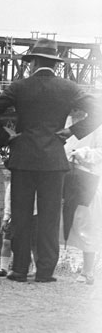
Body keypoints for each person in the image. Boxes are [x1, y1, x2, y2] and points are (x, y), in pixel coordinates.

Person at [0, 38, 100, 282]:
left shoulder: (20, 87)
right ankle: (45, 271)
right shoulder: (68, 88)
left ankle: (20, 269)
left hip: (23, 157)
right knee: (49, 216)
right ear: (54, 63)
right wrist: (72, 131)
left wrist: (6, 138)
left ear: (33, 61)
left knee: (21, 215)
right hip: (54, 159)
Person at [65, 118, 102, 284]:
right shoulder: (65, 122)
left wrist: (84, 154)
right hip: (66, 178)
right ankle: (43, 265)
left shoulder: (96, 124)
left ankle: (87, 271)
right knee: (62, 221)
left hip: (87, 180)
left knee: (87, 223)